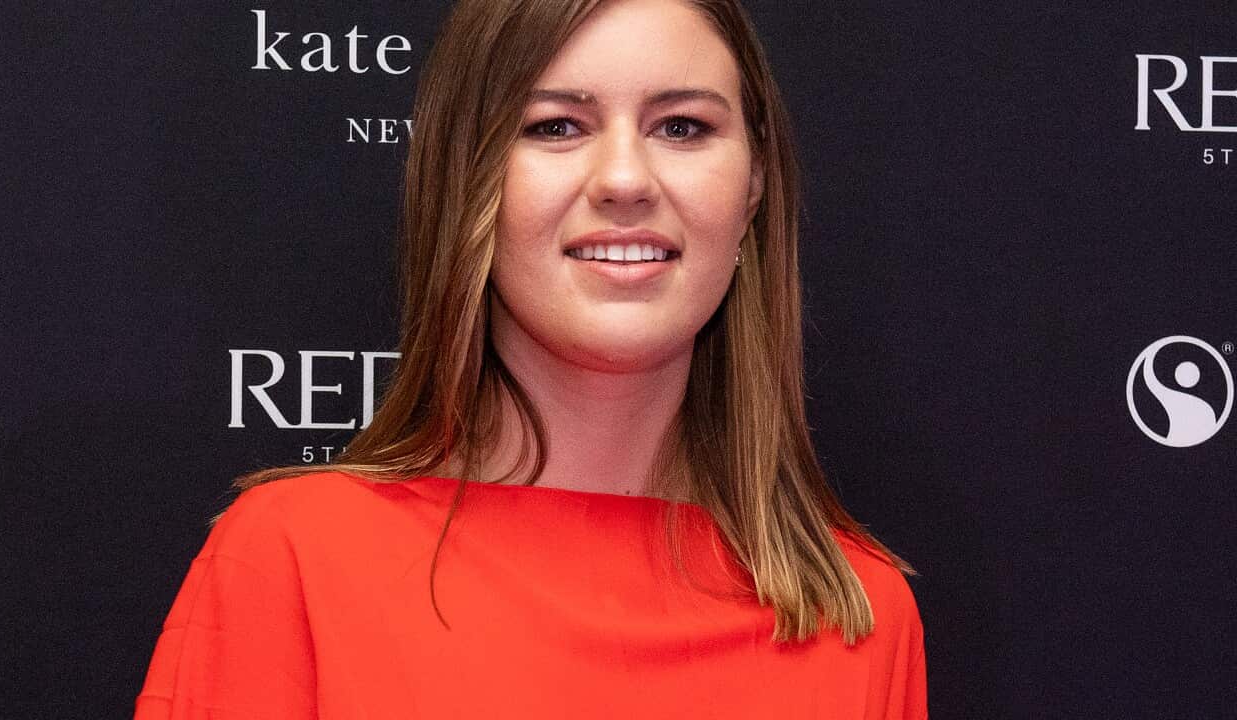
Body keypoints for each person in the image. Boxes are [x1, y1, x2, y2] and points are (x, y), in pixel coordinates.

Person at [133, 0, 927, 717]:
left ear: (752, 190)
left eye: (681, 126)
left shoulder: (856, 614)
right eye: (555, 126)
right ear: (466, 180)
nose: (624, 179)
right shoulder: (297, 561)